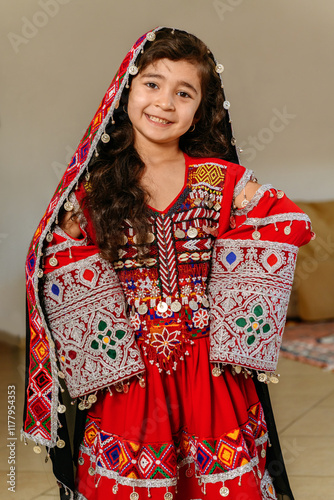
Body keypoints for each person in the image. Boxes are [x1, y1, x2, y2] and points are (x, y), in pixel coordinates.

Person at [22, 27, 313, 500]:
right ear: (126, 92)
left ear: (201, 110)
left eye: (184, 92)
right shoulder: (94, 191)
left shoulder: (224, 181)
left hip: (211, 375)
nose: (164, 102)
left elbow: (286, 223)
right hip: (128, 376)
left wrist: (231, 326)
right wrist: (103, 344)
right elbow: (51, 259)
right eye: (152, 84)